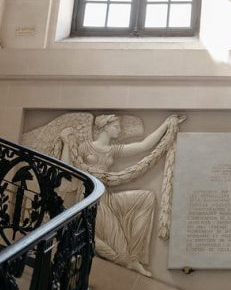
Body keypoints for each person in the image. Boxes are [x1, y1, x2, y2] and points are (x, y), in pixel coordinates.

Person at [60, 113, 184, 276]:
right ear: (105, 127)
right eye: (116, 127)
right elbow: (64, 170)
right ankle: (125, 259)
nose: (120, 130)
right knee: (117, 251)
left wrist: (167, 124)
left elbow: (144, 145)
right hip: (90, 198)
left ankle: (134, 255)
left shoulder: (113, 150)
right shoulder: (85, 147)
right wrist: (67, 143)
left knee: (146, 198)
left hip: (106, 196)